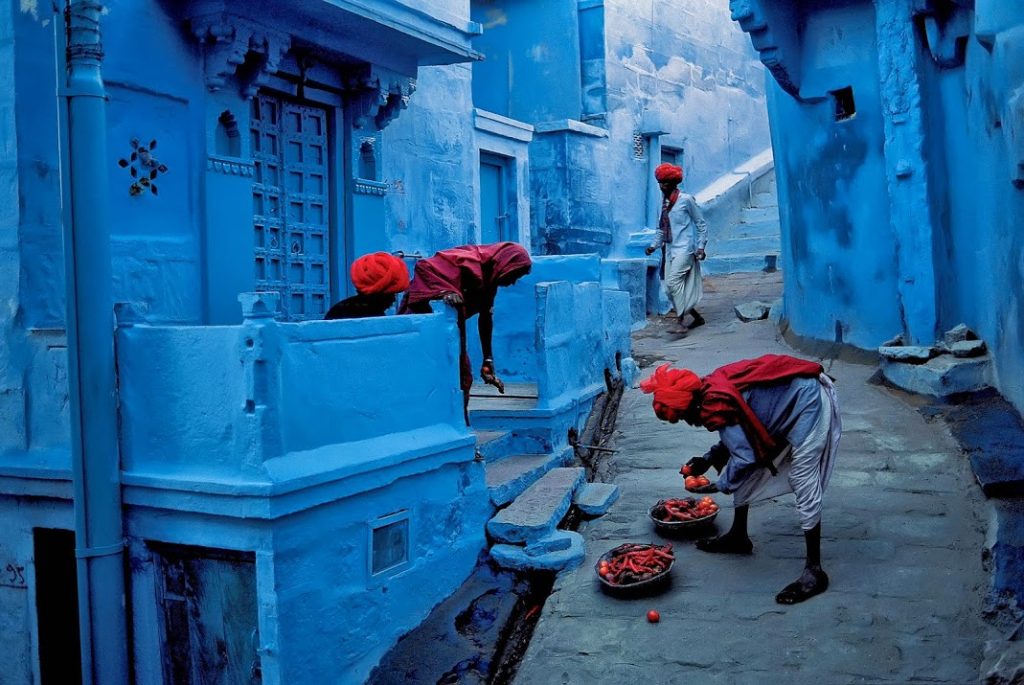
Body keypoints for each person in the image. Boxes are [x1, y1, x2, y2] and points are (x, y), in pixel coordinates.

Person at [639, 354, 842, 604]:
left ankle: (814, 571)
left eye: (681, 417)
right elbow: (738, 434)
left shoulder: (715, 403)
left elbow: (744, 455)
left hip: (807, 400)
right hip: (786, 399)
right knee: (737, 466)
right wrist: (708, 458)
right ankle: (738, 535)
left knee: (803, 477)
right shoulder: (708, 391)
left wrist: (720, 485)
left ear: (688, 406)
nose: (688, 423)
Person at [399, 242, 532, 424]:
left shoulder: (490, 277)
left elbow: (486, 316)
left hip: (452, 332)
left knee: (462, 377)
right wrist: (443, 291)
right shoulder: (467, 261)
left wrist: (488, 360)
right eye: (514, 274)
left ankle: (460, 428)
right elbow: (425, 266)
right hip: (423, 328)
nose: (513, 282)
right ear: (505, 263)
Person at [644, 163, 708, 331]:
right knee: (670, 289)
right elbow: (661, 228)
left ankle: (680, 322)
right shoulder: (663, 204)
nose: (662, 186)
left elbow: (700, 223)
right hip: (670, 249)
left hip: (685, 249)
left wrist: (701, 246)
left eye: (665, 183)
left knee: (673, 283)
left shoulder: (686, 200)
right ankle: (697, 317)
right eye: (660, 183)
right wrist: (653, 246)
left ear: (674, 183)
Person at [324, 252, 410, 320]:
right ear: (379, 294)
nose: (394, 300)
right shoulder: (374, 316)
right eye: (391, 294)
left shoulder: (337, 309)